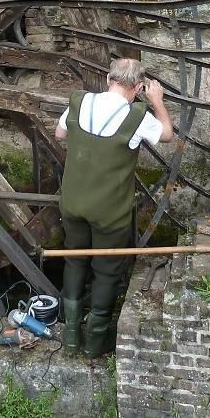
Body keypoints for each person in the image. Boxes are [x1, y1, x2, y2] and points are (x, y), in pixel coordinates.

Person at [55, 58, 173, 357]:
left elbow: (60, 135)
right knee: (106, 271)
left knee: (74, 260)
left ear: (109, 79)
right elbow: (167, 135)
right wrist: (157, 102)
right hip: (109, 210)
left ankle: (70, 336)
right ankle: (94, 342)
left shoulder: (79, 102)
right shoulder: (137, 116)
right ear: (138, 87)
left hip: (72, 202)